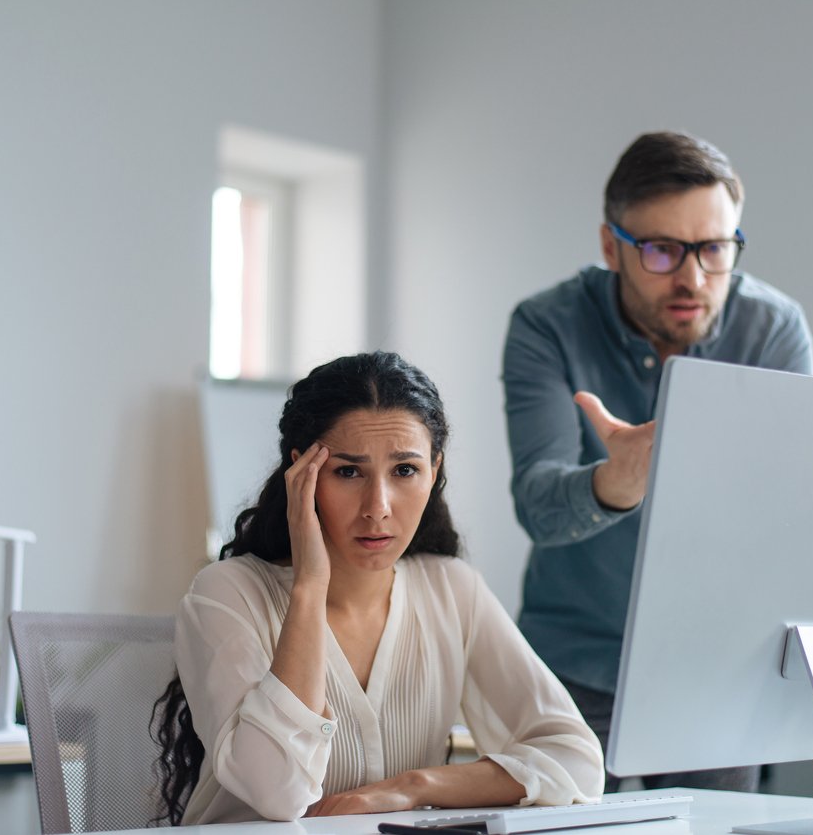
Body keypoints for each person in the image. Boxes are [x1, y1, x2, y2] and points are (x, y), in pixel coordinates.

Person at [153, 351, 603, 825]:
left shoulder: (452, 589)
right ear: (301, 475)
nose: (378, 507)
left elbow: (578, 760)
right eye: (348, 472)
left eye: (405, 470)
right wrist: (309, 586)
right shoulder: (226, 593)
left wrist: (414, 787)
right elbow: (278, 794)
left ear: (434, 472)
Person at [502, 131, 813, 792]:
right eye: (662, 249)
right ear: (610, 246)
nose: (693, 277)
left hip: (717, 668)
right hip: (575, 662)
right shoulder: (546, 325)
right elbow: (538, 506)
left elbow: (785, 512)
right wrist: (617, 483)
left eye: (715, 248)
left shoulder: (774, 329)